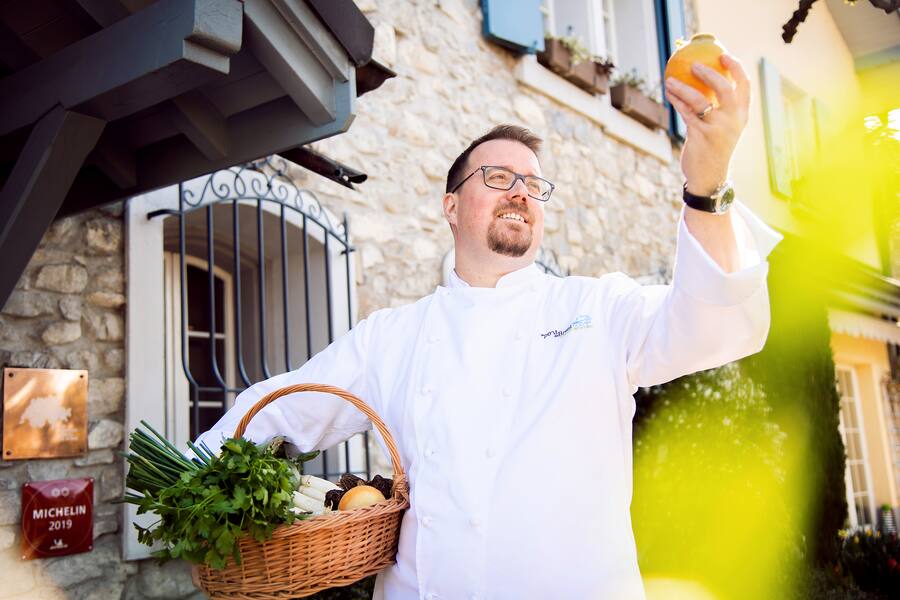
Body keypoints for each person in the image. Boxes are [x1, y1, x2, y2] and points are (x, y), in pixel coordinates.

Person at [194, 54, 782, 599]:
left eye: (534, 185)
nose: (522, 192)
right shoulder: (390, 337)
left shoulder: (598, 309)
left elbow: (712, 324)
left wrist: (707, 186)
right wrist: (183, 484)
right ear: (451, 206)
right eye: (499, 177)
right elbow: (282, 408)